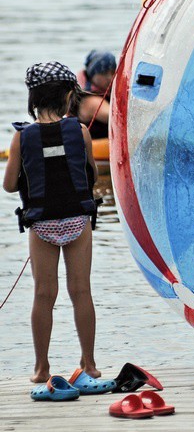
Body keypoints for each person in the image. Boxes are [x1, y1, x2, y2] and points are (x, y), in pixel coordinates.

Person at [3, 61, 102, 383]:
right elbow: (92, 175)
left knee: (44, 294)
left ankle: (41, 368)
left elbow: (9, 185)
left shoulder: (22, 138)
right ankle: (89, 364)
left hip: (42, 224)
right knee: (81, 291)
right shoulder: (82, 131)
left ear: (33, 98)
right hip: (77, 221)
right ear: (68, 96)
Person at [75, 50, 116, 139]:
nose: (110, 77)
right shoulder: (91, 101)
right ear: (92, 75)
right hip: (96, 150)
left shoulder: (109, 94)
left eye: (113, 72)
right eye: (103, 73)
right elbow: (117, 118)